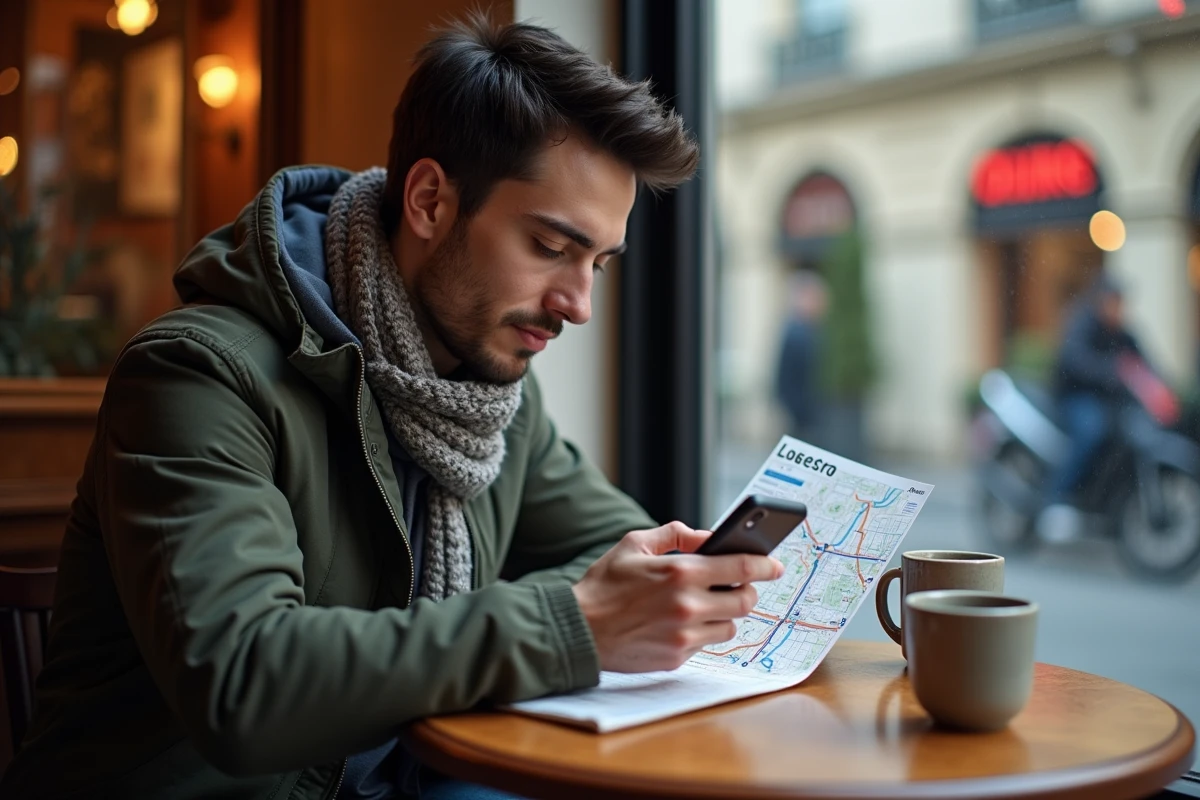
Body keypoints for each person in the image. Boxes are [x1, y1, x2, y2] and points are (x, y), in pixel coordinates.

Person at [0, 15, 784, 800]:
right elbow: (245, 686)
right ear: (431, 201)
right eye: (550, 247)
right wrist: (569, 624)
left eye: (598, 263)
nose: (577, 304)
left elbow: (616, 554)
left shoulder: (492, 396)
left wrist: (629, 600)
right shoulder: (197, 374)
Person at [1038, 273, 1144, 542]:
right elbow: (1075, 360)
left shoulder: (1122, 332)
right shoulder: (1082, 323)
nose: (1118, 308)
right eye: (1114, 302)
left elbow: (1144, 363)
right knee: (1092, 431)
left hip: (1108, 401)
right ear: (1101, 300)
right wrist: (1111, 372)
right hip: (1075, 397)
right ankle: (1057, 496)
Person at [774, 270, 828, 447]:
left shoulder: (814, 330)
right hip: (801, 413)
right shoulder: (796, 332)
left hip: (809, 412)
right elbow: (786, 376)